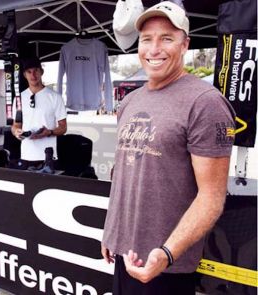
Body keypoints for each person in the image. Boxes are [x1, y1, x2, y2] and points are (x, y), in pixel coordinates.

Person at [101, 2, 235, 294]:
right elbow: (125, 173)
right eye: (147, 39)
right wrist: (113, 232)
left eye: (167, 38)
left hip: (165, 264)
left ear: (185, 44)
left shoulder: (205, 103)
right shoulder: (130, 101)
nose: (154, 49)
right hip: (126, 256)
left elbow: (212, 196)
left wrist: (167, 253)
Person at [11, 57, 67, 168]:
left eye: (36, 70)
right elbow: (16, 125)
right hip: (26, 155)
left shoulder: (55, 97)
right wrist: (17, 132)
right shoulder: (19, 98)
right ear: (24, 75)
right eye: (29, 72)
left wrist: (49, 132)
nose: (33, 75)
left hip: (48, 156)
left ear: (41, 72)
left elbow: (63, 127)